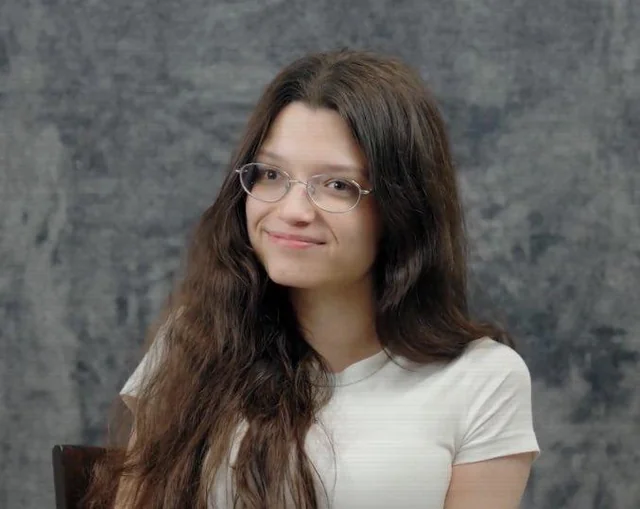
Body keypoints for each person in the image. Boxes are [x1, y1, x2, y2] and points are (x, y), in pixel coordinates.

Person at [88, 49, 540, 509]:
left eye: (337, 185)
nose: (292, 211)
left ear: (403, 209)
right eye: (271, 174)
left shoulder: (483, 380)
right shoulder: (193, 342)